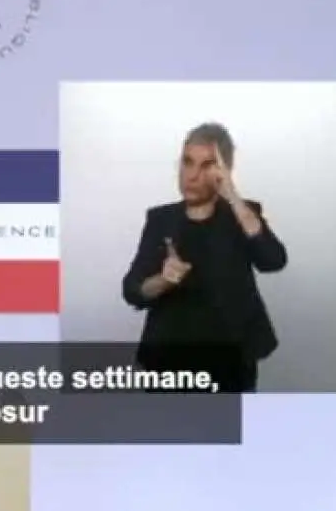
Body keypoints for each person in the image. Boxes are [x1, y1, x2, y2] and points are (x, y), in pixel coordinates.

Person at [122, 123, 287, 393]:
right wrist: (163, 280)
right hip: (168, 363)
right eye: (187, 162)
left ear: (223, 170)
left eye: (206, 165)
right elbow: (133, 290)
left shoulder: (243, 215)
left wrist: (232, 195)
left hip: (231, 364)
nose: (192, 175)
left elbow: (273, 261)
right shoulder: (160, 220)